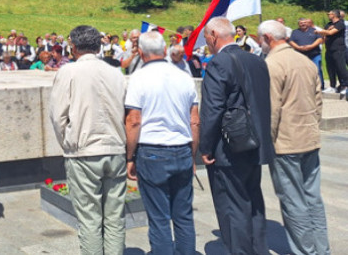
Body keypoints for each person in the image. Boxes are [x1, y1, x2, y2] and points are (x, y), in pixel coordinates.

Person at [199, 17, 274, 254]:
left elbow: (212, 110)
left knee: (232, 207)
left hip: (229, 147)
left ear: (212, 35)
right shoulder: (256, 60)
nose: (207, 43)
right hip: (255, 142)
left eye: (206, 38)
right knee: (253, 202)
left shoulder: (218, 63)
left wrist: (206, 147)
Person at [49, 25, 127, 254]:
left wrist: (68, 142)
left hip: (83, 150)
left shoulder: (68, 72)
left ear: (73, 46)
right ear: (99, 45)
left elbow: (57, 115)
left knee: (90, 220)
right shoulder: (115, 72)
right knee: (114, 219)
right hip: (115, 148)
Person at [258, 20, 330, 254]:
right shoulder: (306, 62)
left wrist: (265, 145)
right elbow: (318, 103)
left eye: (261, 40)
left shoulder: (271, 64)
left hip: (285, 143)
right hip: (309, 138)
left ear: (268, 38)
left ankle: (306, 250)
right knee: (313, 199)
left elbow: (271, 109)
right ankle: (321, 249)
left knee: (293, 202)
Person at [125, 31, 199, 254]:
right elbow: (194, 121)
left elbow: (134, 120)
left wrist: (130, 156)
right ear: (165, 51)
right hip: (182, 148)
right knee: (184, 215)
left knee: (158, 218)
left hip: (152, 150)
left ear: (140, 52)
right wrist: (192, 155)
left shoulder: (138, 78)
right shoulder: (184, 77)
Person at [315, 10, 348, 96]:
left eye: (329, 14)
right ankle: (332, 86)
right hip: (329, 49)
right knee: (330, 68)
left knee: (341, 68)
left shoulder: (340, 23)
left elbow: (331, 32)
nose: (328, 15)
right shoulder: (328, 24)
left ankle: (345, 85)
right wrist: (323, 33)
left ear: (334, 15)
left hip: (339, 49)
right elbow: (325, 35)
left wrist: (320, 31)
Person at [288, 17, 325, 90]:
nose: (303, 24)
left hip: (314, 54)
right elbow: (291, 41)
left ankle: (320, 86)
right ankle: (303, 86)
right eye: (301, 23)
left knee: (317, 70)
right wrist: (298, 47)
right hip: (300, 55)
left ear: (307, 23)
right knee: (300, 71)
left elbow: (320, 39)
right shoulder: (294, 32)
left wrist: (311, 46)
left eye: (304, 23)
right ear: (298, 24)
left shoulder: (314, 30)